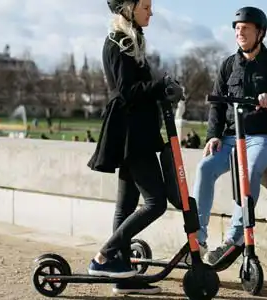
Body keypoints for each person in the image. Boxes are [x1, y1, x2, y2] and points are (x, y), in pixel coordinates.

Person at [85, 0, 183, 295]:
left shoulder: (131, 37)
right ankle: (104, 256)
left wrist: (161, 90)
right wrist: (160, 84)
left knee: (126, 205)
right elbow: (126, 90)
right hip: (131, 132)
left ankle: (122, 275)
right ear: (128, 8)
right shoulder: (119, 41)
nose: (151, 12)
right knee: (155, 202)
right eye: (146, 6)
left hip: (135, 129)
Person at [193, 6, 267, 264]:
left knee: (248, 171)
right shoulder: (228, 65)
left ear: (259, 33)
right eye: (237, 29)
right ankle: (197, 239)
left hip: (263, 138)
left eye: (245, 29)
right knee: (205, 168)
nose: (240, 33)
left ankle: (235, 238)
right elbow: (217, 106)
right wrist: (213, 135)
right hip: (230, 138)